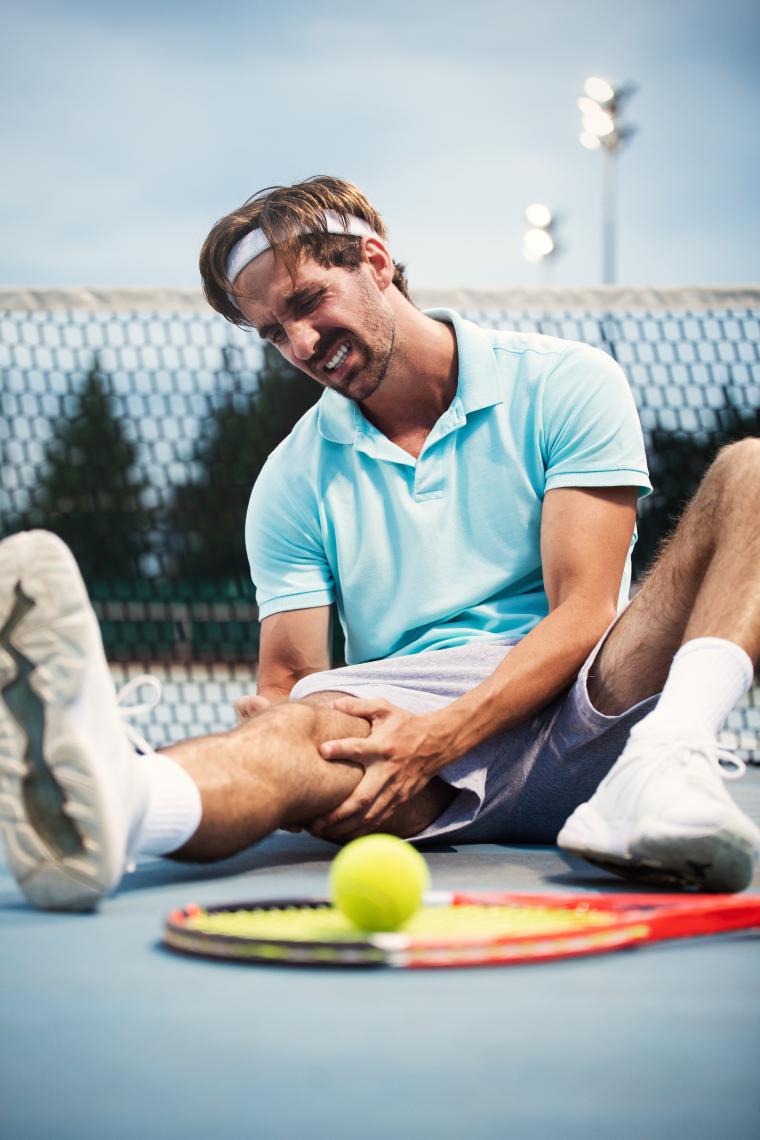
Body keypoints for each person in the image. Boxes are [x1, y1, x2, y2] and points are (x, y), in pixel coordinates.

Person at [1, 176, 758, 913]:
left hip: (592, 696)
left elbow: (585, 610)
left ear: (375, 262)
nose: (299, 343)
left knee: (750, 470)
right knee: (300, 729)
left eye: (306, 303)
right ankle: (107, 803)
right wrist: (279, 720)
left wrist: (440, 734)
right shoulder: (291, 481)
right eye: (273, 332)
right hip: (410, 740)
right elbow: (291, 673)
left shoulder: (566, 383)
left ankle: (668, 759)